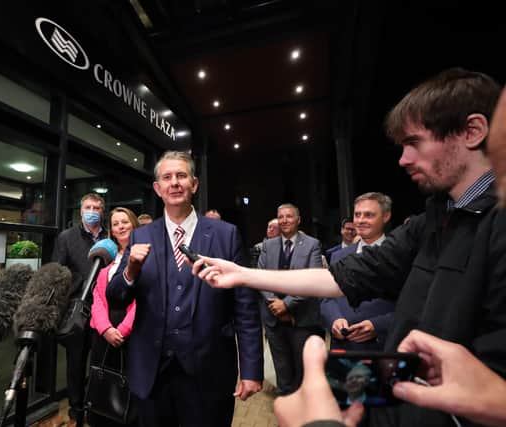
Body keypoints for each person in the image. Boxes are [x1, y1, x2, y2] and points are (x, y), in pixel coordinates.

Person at [192, 68, 506, 427]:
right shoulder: (436, 216)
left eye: (414, 142)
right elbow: (346, 276)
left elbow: (487, 393)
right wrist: (243, 274)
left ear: (472, 132)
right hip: (402, 390)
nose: (403, 159)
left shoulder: (495, 226)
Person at [107, 151, 263, 427]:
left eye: (181, 176)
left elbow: (245, 308)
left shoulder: (225, 235)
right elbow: (116, 298)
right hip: (153, 372)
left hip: (209, 371)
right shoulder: (141, 236)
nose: (174, 182)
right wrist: (130, 269)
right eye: (167, 177)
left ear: (194, 184)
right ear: (157, 188)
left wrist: (251, 370)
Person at [51, 193, 107, 426]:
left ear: (102, 211)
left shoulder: (110, 236)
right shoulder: (66, 237)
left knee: (100, 361)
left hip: (104, 311)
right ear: (80, 210)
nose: (92, 210)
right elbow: (56, 273)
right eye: (88, 206)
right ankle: (76, 409)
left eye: (96, 207)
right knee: (75, 363)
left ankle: (98, 405)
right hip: (76, 310)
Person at [258, 203, 323, 395]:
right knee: (283, 374)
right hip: (274, 320)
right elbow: (261, 277)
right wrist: (275, 305)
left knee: (302, 372)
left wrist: (286, 304)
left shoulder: (312, 244)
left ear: (298, 220)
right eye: (281, 217)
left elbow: (313, 279)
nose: (284, 220)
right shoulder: (267, 246)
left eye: (289, 216)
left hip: (301, 320)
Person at [321, 192, 395, 351]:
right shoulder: (338, 256)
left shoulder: (399, 255)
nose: (361, 220)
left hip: (382, 347)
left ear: (386, 216)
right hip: (343, 347)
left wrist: (377, 325)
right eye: (357, 215)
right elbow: (327, 299)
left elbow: (412, 306)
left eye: (368, 215)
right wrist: (335, 319)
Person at [89, 207, 139, 426]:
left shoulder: (145, 254)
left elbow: (145, 298)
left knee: (130, 387)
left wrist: (124, 329)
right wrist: (105, 328)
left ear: (134, 224)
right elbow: (97, 297)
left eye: (124, 222)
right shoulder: (107, 256)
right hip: (105, 332)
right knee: (103, 381)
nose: (120, 226)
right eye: (115, 223)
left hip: (132, 333)